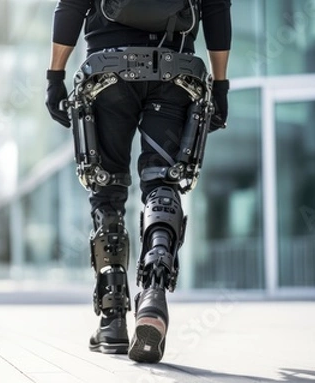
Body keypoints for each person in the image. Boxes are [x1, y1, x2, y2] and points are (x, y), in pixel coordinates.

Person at [46, 0, 231, 363]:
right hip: (175, 68)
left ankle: (112, 320)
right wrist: (221, 85)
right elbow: (216, 9)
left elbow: (70, 6)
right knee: (163, 183)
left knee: (106, 189)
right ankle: (153, 294)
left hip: (107, 69)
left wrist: (54, 76)